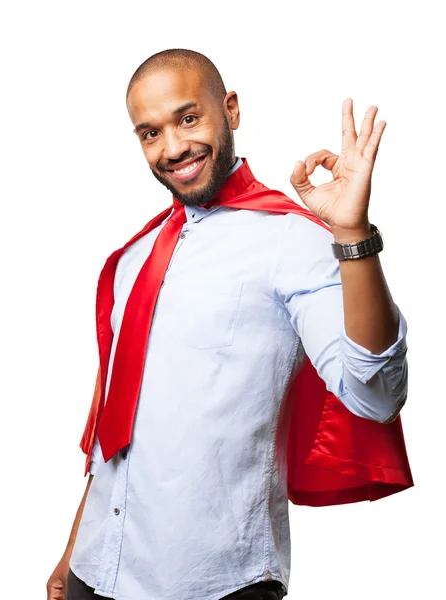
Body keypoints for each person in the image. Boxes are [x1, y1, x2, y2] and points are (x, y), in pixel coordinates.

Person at [47, 48, 411, 600]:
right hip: (95, 572)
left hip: (214, 583)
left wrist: (354, 235)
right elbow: (117, 432)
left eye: (187, 118)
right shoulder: (133, 259)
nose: (172, 148)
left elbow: (375, 393)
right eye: (150, 133)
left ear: (231, 110)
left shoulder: (294, 240)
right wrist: (72, 554)